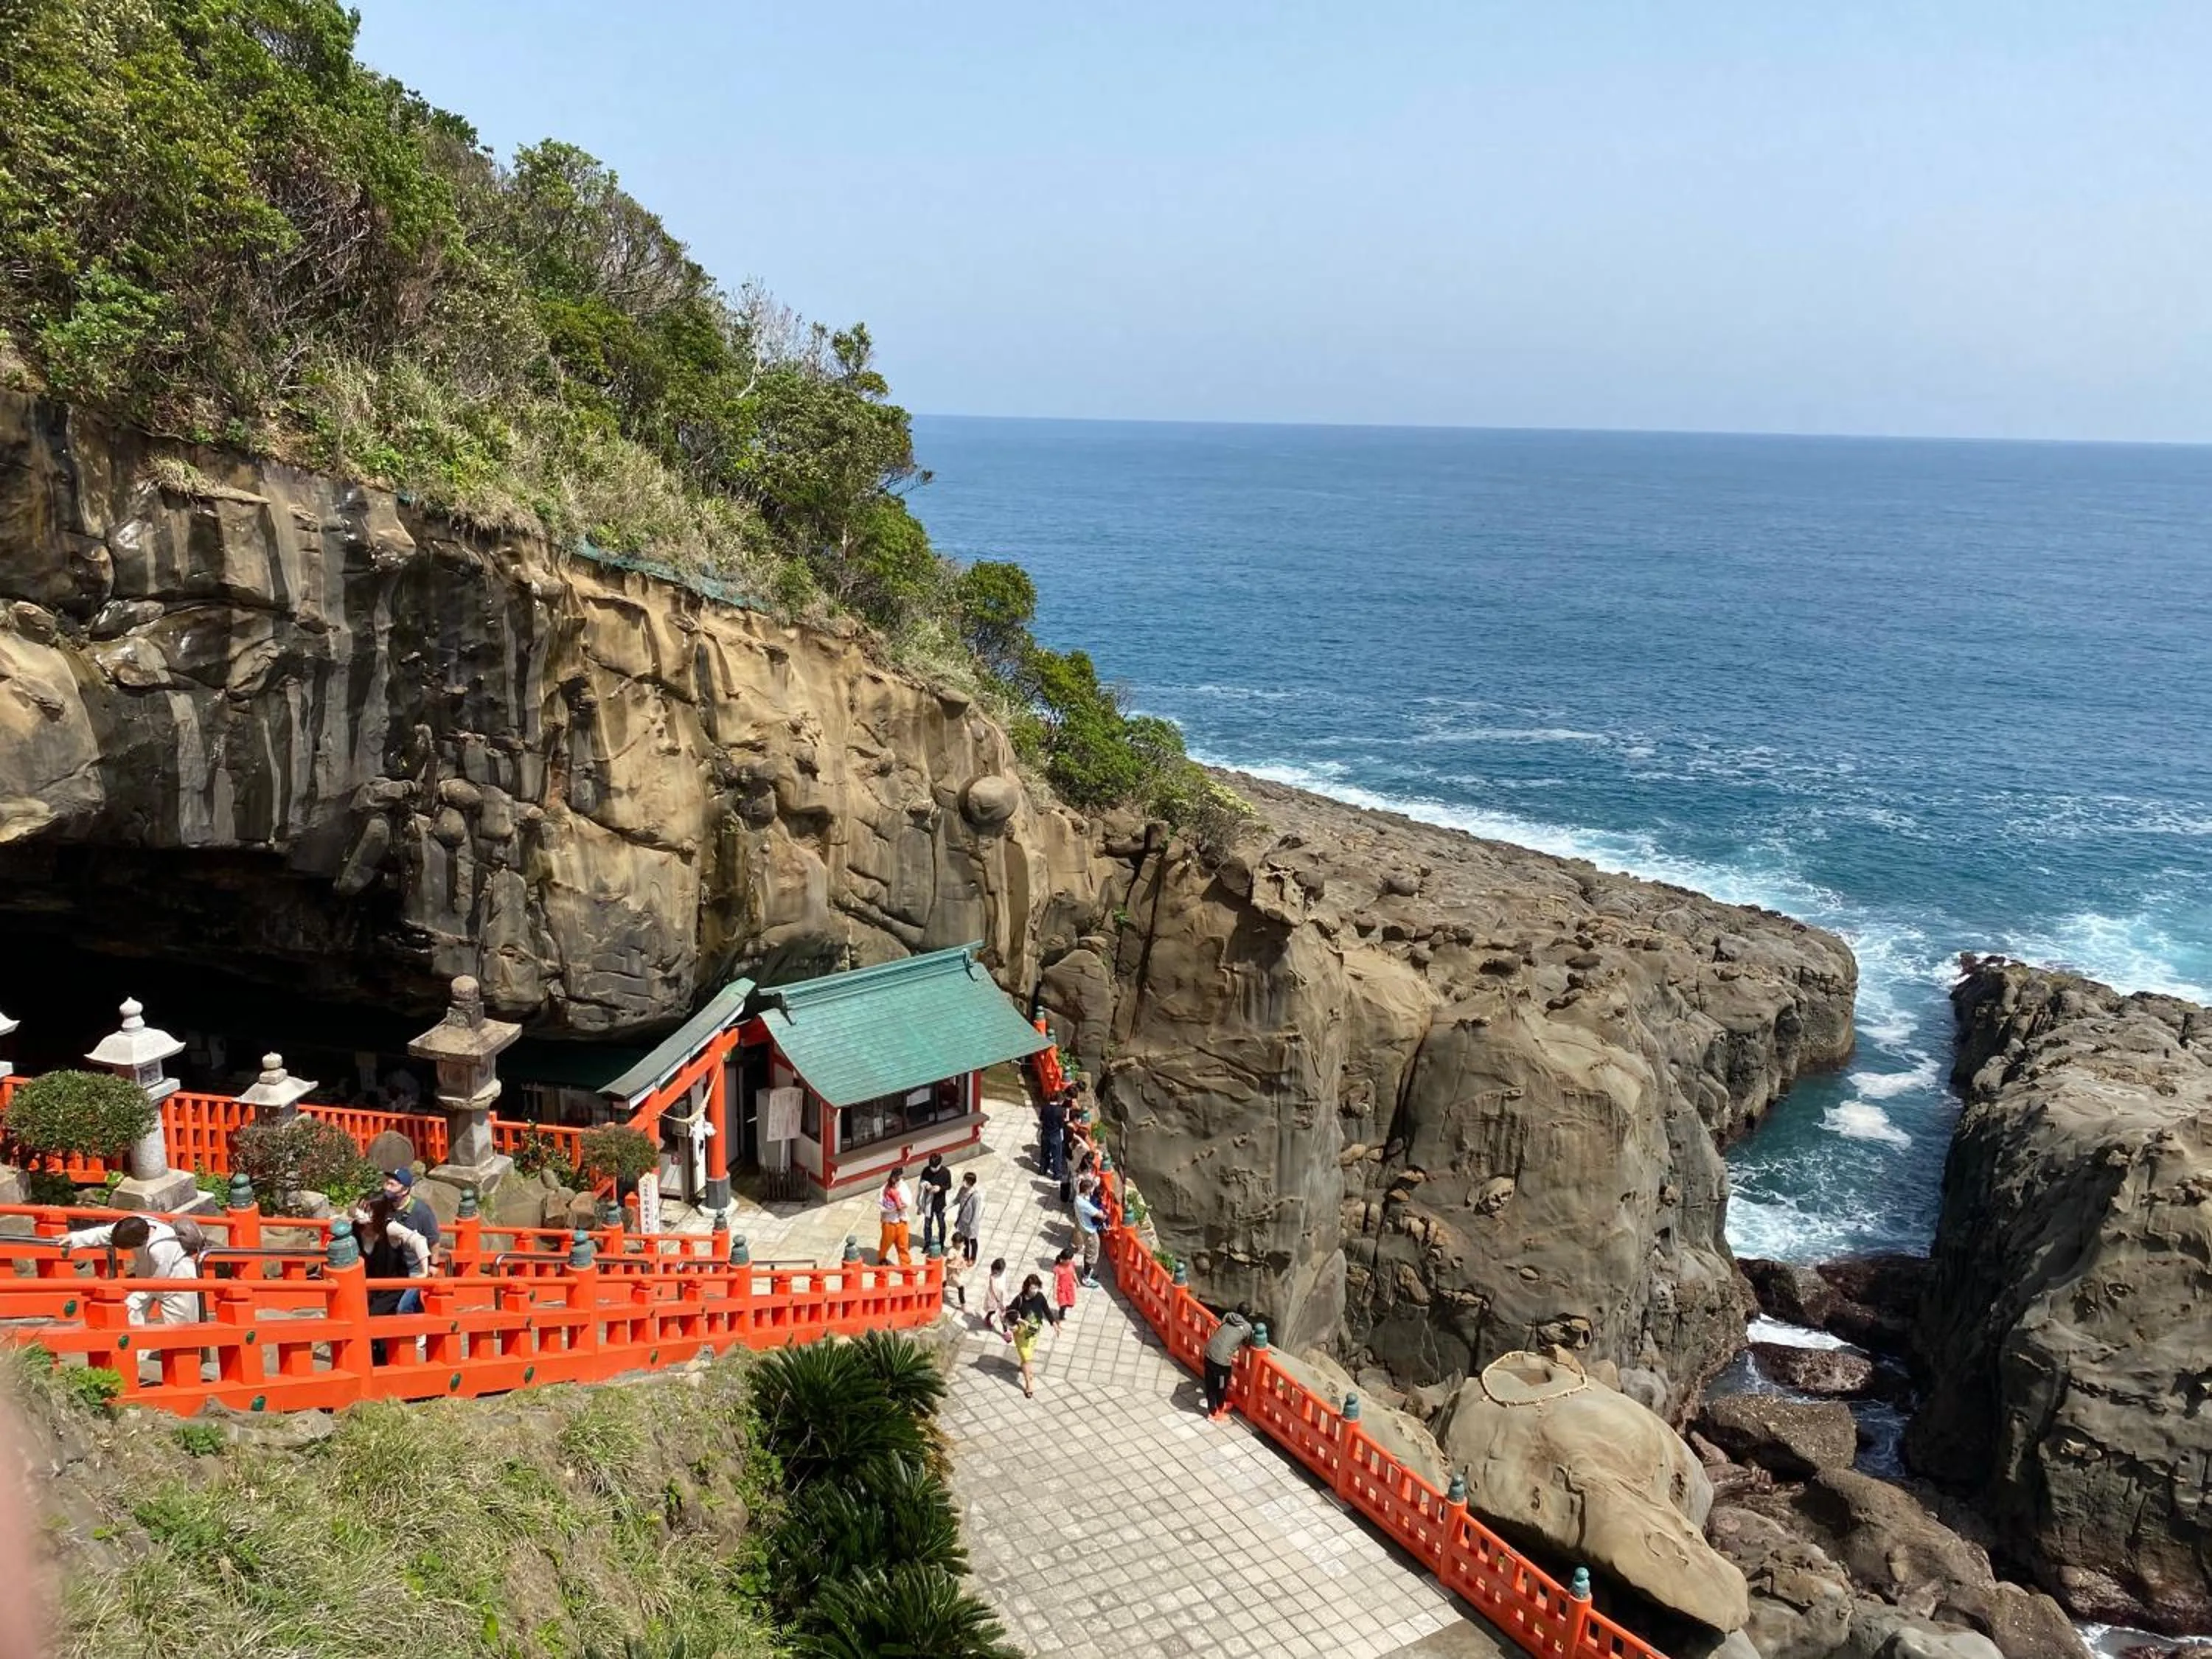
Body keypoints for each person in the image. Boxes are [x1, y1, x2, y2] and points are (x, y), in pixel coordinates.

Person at [60, 1214, 203, 1326]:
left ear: (139, 1243)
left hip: (176, 1279)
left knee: (181, 1327)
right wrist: (73, 1239)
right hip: (148, 1280)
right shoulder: (132, 1224)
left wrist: (138, 1293)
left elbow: (157, 1280)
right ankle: (138, 1352)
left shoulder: (161, 1248)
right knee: (131, 1311)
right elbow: (106, 1233)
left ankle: (190, 1359)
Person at [355, 1193, 433, 1365]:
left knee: (375, 1318)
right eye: (359, 1209)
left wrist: (424, 1271)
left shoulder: (389, 1227)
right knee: (365, 1319)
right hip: (372, 1285)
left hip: (393, 1285)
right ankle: (377, 1362)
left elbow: (418, 1241)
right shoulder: (356, 1228)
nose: (360, 1214)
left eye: (366, 1210)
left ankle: (386, 1363)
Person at [1203, 1303, 1256, 1422]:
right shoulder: (1247, 1327)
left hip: (1208, 1353)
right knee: (1221, 1386)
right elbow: (1248, 1343)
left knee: (1210, 1384)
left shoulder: (1228, 1316)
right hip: (1221, 1363)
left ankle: (1216, 1407)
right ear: (1249, 1315)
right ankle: (1216, 1412)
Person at [1007, 1272, 1054, 1398]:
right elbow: (1010, 1312)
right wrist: (1020, 1320)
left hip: (1034, 1332)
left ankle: (1024, 1366)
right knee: (1027, 1359)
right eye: (1033, 1287)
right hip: (1021, 1335)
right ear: (1027, 1287)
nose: (1035, 1290)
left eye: (1037, 1287)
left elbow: (1046, 1309)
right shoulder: (1020, 1299)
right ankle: (1029, 1384)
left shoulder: (1040, 1297)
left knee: (1027, 1357)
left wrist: (1053, 1323)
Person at [383, 1166, 440, 1253]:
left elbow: (433, 1241)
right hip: (388, 1261)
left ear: (405, 1190)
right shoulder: (383, 1205)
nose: (388, 1188)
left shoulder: (421, 1211)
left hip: (413, 1264)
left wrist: (433, 1265)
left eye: (392, 1185)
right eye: (387, 1183)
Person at [1072, 1180, 1107, 1288]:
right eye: (1091, 1189)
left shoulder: (1078, 1198)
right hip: (1089, 1231)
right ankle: (1086, 1277)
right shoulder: (1084, 1204)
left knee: (1089, 1252)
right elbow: (1100, 1215)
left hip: (1084, 1228)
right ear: (1087, 1190)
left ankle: (1087, 1272)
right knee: (1092, 1253)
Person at [877, 1165, 914, 1265]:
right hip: (889, 1221)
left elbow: (908, 1201)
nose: (898, 1180)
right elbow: (880, 1206)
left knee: (903, 1245)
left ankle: (906, 1265)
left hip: (902, 1220)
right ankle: (882, 1258)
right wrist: (892, 1208)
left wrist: (900, 1201)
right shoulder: (884, 1189)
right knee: (886, 1243)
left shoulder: (903, 1186)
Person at [918, 1152, 953, 1254]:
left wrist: (940, 1188)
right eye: (932, 1167)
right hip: (929, 1203)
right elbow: (922, 1182)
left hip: (940, 1202)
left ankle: (941, 1243)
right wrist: (926, 1186)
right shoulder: (926, 1170)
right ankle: (927, 1243)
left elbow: (949, 1186)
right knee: (927, 1224)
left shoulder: (946, 1172)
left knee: (941, 1223)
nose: (933, 1169)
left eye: (935, 1167)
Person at [951, 1171, 984, 1265]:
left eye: (965, 1181)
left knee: (973, 1240)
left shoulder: (976, 1196)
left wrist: (972, 1225)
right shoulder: (962, 1190)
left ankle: (973, 1258)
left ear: (970, 1182)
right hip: (963, 1221)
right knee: (965, 1239)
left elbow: (976, 1213)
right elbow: (957, 1200)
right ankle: (966, 1255)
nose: (963, 1182)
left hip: (971, 1224)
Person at [1039, 1088, 1068, 1182]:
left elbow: (1041, 1119)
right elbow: (1061, 1125)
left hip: (1045, 1134)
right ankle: (1057, 1174)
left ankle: (1042, 1170)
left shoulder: (1045, 1107)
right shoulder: (1060, 1110)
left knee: (1044, 1154)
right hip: (1055, 1135)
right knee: (1057, 1156)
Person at [981, 1257, 1013, 1338]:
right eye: (999, 1271)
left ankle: (1005, 1331)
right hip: (994, 1297)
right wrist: (998, 1301)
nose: (1001, 1272)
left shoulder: (1002, 1273)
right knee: (995, 1311)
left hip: (1002, 1296)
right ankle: (988, 1318)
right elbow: (992, 1289)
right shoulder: (992, 1277)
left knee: (1002, 1314)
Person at [1051, 1246, 1079, 1327]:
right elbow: (1055, 1281)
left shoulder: (1071, 1264)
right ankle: (1060, 1318)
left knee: (1071, 1304)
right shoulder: (1058, 1269)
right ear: (1063, 1259)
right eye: (1068, 1259)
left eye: (1070, 1259)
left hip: (1069, 1288)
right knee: (1063, 1306)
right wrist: (1054, 1293)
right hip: (1062, 1290)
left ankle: (1062, 1314)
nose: (1070, 1261)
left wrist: (1077, 1281)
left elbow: (1073, 1273)